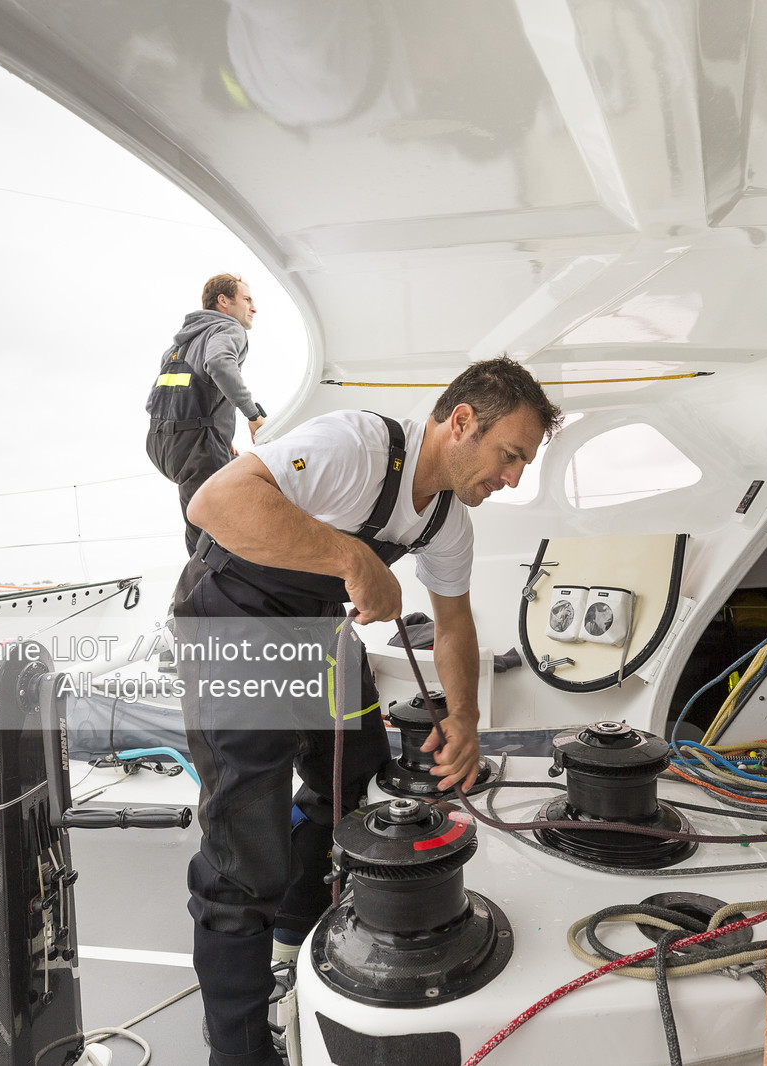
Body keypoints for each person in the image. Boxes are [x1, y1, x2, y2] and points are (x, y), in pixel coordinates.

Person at [174, 356, 562, 1066]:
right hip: (234, 616)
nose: (514, 478)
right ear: (462, 422)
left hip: (316, 628)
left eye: (523, 465)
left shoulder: (447, 520)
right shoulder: (356, 446)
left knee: (356, 772)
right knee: (243, 842)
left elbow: (452, 627)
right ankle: (235, 1049)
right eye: (512, 456)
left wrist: (466, 720)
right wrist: (354, 560)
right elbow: (215, 504)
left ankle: (294, 922)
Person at [146, 274, 268, 556]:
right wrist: (253, 415)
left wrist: (218, 439)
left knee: (202, 521)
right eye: (247, 299)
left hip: (162, 445)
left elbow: (159, 400)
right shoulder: (229, 329)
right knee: (215, 534)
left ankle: (200, 585)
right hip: (196, 447)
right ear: (223, 302)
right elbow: (218, 363)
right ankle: (205, 593)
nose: (254, 307)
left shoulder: (180, 344)